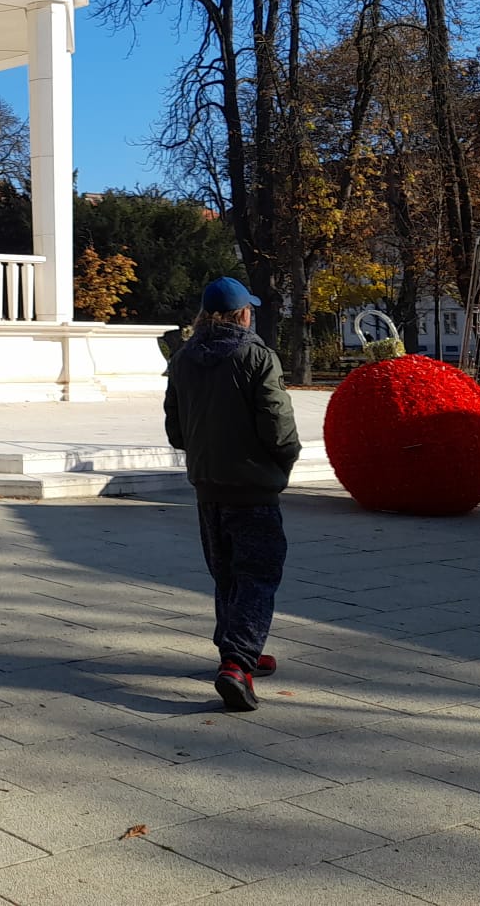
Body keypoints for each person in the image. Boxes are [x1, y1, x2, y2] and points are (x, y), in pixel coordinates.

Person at [162, 277, 300, 713]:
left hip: (208, 486)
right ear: (244, 313)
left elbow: (175, 429)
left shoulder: (183, 358)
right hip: (253, 487)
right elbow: (278, 425)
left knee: (226, 573)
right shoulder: (256, 355)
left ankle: (237, 648)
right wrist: (284, 462)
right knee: (258, 573)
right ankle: (237, 664)